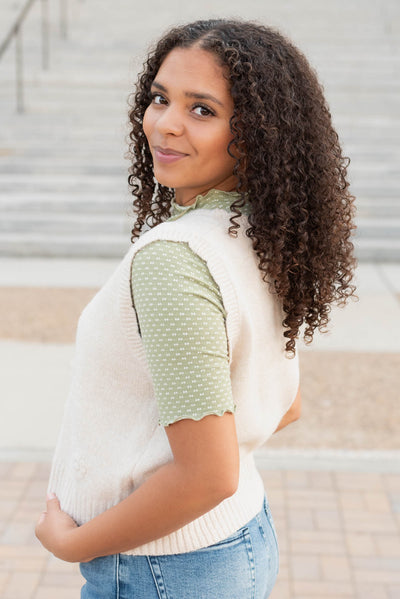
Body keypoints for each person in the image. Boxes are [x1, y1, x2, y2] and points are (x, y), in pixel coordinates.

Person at [35, 18, 357, 598]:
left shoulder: (178, 259)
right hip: (234, 539)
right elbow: (283, 404)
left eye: (202, 110)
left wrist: (74, 544)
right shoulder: (260, 234)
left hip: (161, 567)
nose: (166, 124)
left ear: (257, 131)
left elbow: (207, 475)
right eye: (160, 98)